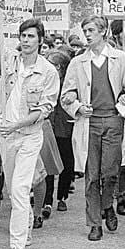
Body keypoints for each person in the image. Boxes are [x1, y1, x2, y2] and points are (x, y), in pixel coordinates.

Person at [0, 0, 60, 249]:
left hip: (29, 135)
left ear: (40, 40)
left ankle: (16, 246)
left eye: (30, 36)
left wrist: (19, 124)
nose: (25, 40)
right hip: (6, 135)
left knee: (21, 188)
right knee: (12, 191)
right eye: (22, 36)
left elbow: (45, 109)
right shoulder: (8, 58)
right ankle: (24, 226)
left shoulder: (47, 71)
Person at [61, 15, 125, 241]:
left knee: (110, 172)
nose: (88, 34)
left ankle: (107, 206)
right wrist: (76, 105)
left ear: (103, 32)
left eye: (92, 29)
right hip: (89, 123)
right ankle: (94, 223)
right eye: (85, 30)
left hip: (114, 120)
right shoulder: (77, 62)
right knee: (92, 175)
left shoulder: (120, 58)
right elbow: (66, 94)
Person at [44, 50, 75, 213]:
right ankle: (47, 200)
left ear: (61, 67)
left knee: (66, 165)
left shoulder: (70, 84)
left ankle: (62, 197)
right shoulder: (44, 81)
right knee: (48, 164)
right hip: (48, 127)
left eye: (53, 65)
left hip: (66, 128)